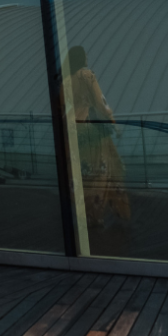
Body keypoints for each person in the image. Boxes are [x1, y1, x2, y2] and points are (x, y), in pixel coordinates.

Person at [67, 45, 130, 228]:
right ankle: (104, 213)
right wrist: (113, 123)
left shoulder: (66, 80)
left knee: (84, 174)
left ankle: (87, 215)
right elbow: (101, 103)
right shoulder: (87, 76)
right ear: (81, 58)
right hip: (91, 133)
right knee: (105, 171)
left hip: (74, 133)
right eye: (85, 55)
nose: (87, 57)